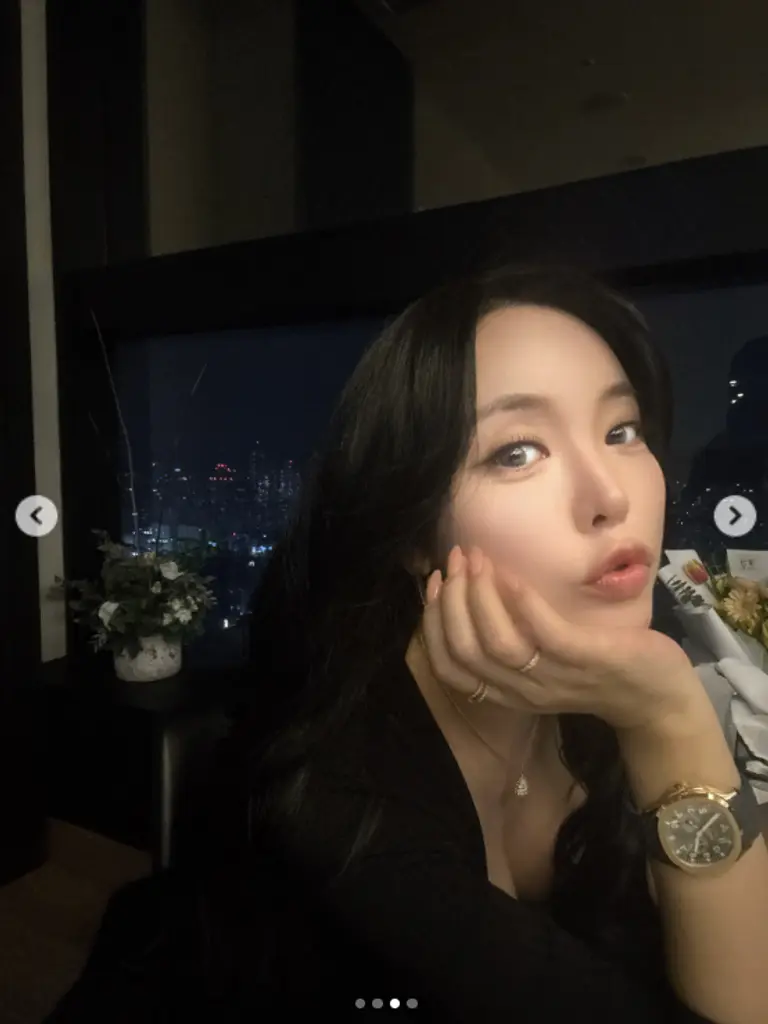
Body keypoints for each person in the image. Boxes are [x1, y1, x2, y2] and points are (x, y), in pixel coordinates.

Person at [47, 266, 768, 1022]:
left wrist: (661, 718)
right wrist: (669, 721)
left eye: (621, 431)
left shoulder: (593, 691)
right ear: (413, 534)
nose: (612, 495)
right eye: (517, 452)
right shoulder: (348, 814)